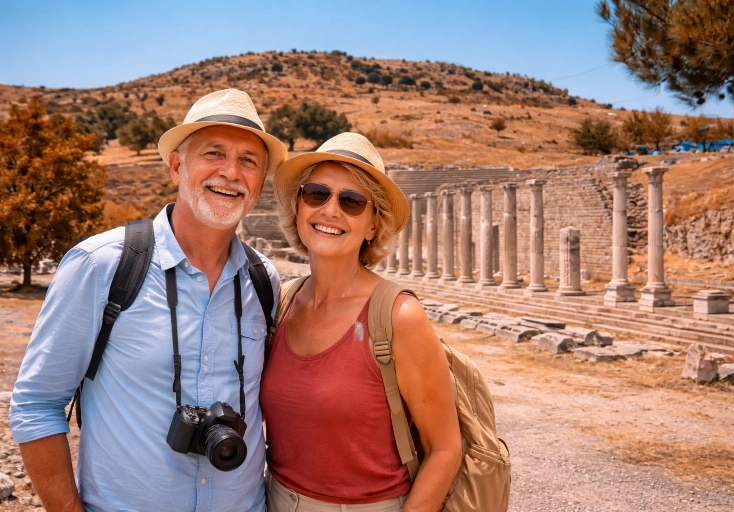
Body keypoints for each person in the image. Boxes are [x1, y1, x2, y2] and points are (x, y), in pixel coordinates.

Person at [10, 88, 287, 512]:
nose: (231, 172)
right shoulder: (101, 266)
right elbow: (36, 404)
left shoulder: (263, 279)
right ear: (178, 166)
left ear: (260, 182)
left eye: (249, 160)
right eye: (213, 153)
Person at [261, 133, 462, 511]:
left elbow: (445, 449)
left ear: (372, 225)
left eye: (351, 201)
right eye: (317, 194)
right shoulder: (282, 302)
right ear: (299, 207)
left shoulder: (398, 316)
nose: (330, 210)